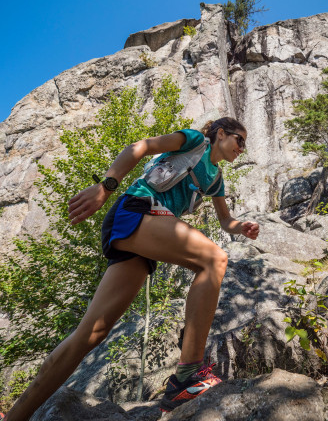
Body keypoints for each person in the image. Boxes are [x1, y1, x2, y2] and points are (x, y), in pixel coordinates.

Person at [4, 117, 259, 420]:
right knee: (214, 259)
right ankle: (187, 376)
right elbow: (138, 147)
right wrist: (105, 186)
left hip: (143, 237)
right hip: (136, 212)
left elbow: (225, 220)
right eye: (239, 140)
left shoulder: (215, 179)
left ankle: (16, 415)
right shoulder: (194, 141)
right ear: (220, 134)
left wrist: (240, 226)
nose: (241, 148)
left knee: (93, 332)